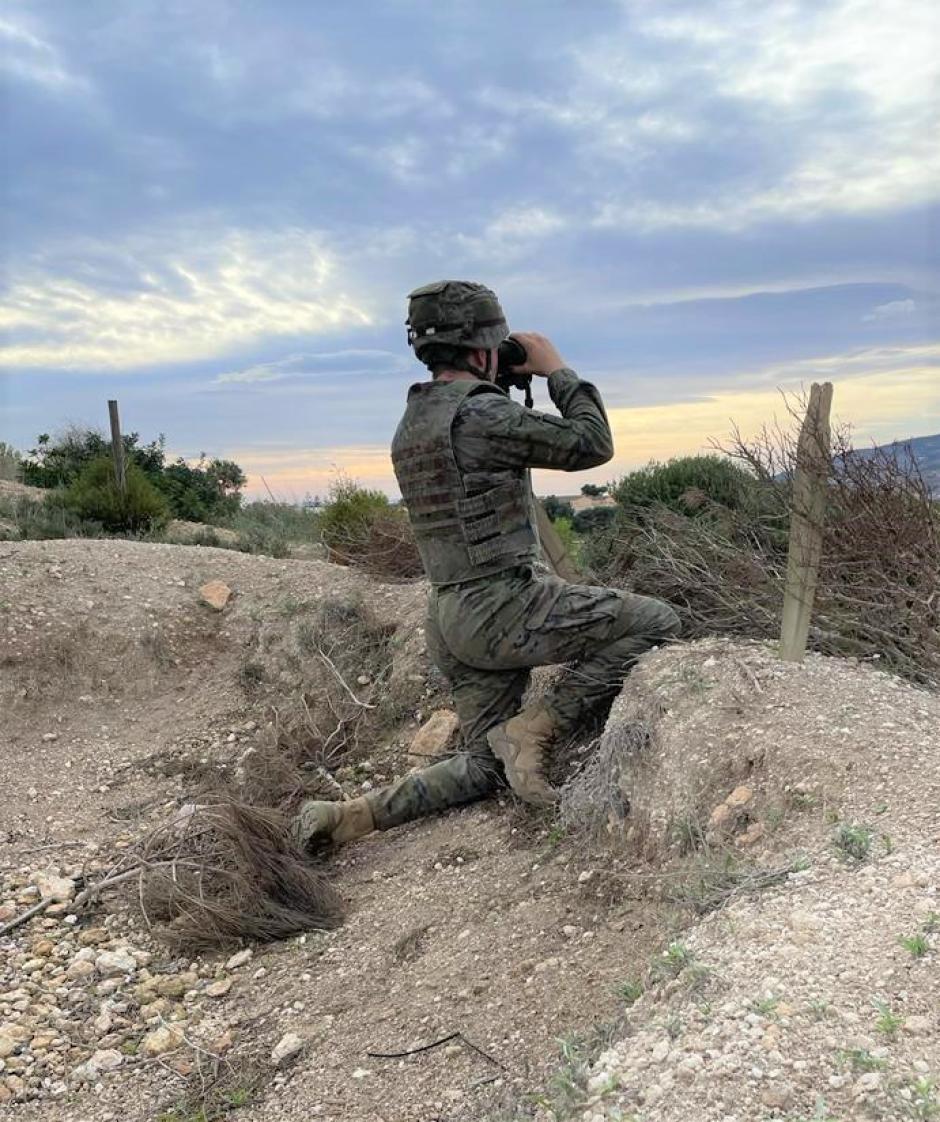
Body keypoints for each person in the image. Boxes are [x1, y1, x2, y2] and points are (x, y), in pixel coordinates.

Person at [292, 281, 679, 850]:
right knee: (657, 622)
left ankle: (352, 816)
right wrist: (556, 371)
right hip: (503, 606)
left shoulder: (414, 421)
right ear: (480, 351)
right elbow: (591, 443)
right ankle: (535, 729)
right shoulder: (480, 414)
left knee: (482, 766)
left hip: (449, 616)